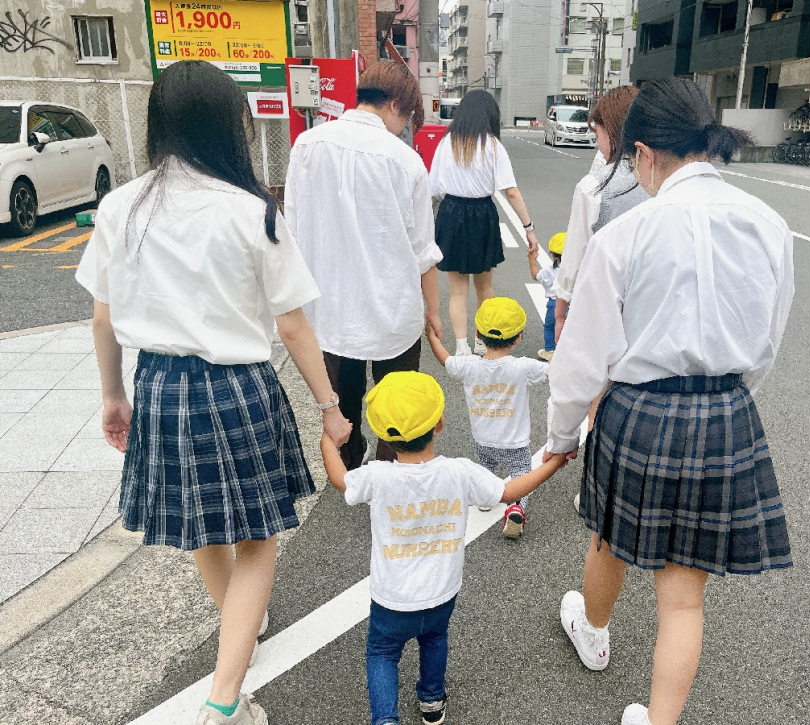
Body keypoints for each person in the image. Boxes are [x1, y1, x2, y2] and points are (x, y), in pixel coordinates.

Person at [75, 60, 352, 725]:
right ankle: (225, 701)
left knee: (203, 523)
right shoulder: (252, 210)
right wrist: (330, 408)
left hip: (160, 387)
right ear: (229, 125)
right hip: (237, 388)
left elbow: (104, 318)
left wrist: (113, 396)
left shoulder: (120, 206)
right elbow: (292, 325)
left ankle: (239, 629)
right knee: (257, 538)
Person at [545, 78, 795, 725]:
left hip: (638, 412)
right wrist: (726, 401)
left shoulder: (628, 234)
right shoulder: (768, 224)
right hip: (724, 413)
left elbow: (581, 357)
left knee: (609, 533)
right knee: (683, 598)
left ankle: (593, 631)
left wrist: (561, 436)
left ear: (645, 153)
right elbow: (767, 342)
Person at [320, 371, 566, 725]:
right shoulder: (460, 472)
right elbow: (510, 491)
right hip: (442, 592)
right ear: (439, 423)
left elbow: (339, 479)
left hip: (392, 598)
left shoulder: (377, 476)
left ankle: (385, 719)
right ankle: (432, 700)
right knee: (434, 640)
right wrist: (553, 462)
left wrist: (328, 440)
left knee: (382, 653)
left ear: (383, 434)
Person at [285, 60, 443, 471]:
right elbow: (422, 251)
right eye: (406, 117)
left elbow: (294, 233)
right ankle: (392, 468)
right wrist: (434, 311)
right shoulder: (405, 161)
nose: (403, 127)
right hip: (394, 310)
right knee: (398, 399)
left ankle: (352, 467)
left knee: (343, 399)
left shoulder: (307, 146)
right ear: (394, 105)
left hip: (330, 312)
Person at [425, 297, 550, 538]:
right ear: (518, 338)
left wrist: (432, 337)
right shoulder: (523, 367)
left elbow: (446, 361)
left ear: (477, 334)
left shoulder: (469, 365)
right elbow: (555, 371)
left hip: (483, 439)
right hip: (515, 443)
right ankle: (516, 507)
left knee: (485, 469)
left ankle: (485, 499)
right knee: (521, 475)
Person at [429, 89, 539, 356]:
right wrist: (528, 228)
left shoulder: (447, 142)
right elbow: (511, 192)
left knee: (457, 292)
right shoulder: (492, 145)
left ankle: (461, 347)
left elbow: (433, 191)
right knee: (485, 287)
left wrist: (426, 225)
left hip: (451, 214)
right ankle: (483, 341)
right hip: (481, 216)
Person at [553, 86, 649, 346]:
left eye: (598, 133)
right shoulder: (665, 178)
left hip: (605, 311)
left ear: (611, 131)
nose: (597, 142)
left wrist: (560, 313)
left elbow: (574, 259)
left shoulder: (594, 186)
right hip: (654, 311)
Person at [528, 232, 565, 361]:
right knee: (569, 327)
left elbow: (536, 276)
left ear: (553, 255)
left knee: (550, 327)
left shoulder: (551, 271)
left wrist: (532, 260)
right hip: (573, 304)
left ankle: (549, 350)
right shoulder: (578, 269)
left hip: (554, 304)